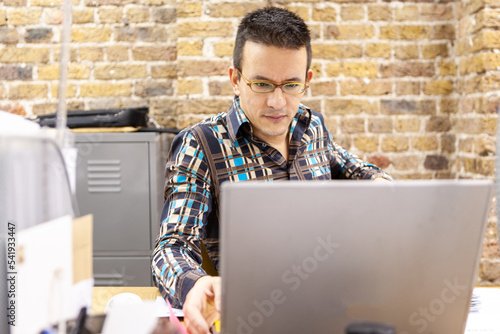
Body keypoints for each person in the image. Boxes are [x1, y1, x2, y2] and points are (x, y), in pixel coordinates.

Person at [152, 6, 392, 334]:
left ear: (307, 80)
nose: (278, 103)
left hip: (331, 307)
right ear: (236, 79)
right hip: (254, 317)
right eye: (263, 84)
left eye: (291, 85)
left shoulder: (312, 126)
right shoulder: (201, 144)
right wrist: (194, 284)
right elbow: (172, 246)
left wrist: (379, 181)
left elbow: (348, 165)